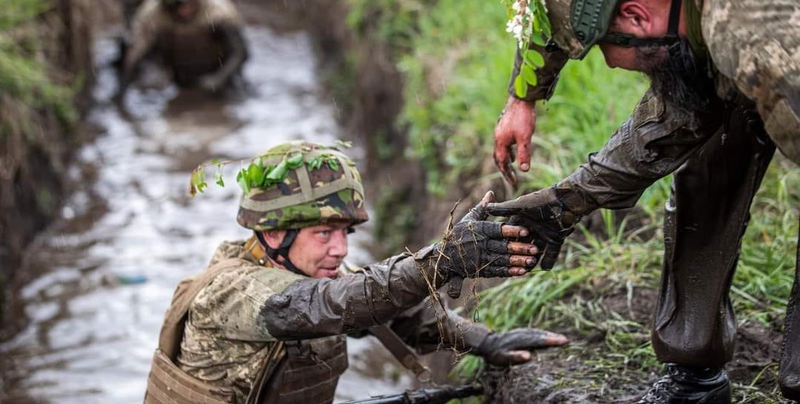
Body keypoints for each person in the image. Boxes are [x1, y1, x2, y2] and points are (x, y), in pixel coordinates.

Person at [489, 0, 799, 402]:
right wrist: (527, 98)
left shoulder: (750, 27)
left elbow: (677, 119)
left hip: (777, 35)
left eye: (603, 48)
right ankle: (696, 375)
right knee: (706, 149)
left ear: (635, 15)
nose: (612, 66)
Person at [144, 141, 568, 404]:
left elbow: (404, 318)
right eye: (324, 232)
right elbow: (334, 305)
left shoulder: (312, 273)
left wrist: (488, 342)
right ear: (272, 234)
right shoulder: (232, 292)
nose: (341, 248)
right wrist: (442, 260)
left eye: (345, 232)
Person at [115, 0, 248, 107]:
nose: (182, 10)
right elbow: (134, 56)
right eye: (175, 5)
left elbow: (240, 52)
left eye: (185, 2)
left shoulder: (218, 9)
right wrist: (120, 98)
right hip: (179, 74)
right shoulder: (152, 14)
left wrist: (218, 79)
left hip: (218, 74)